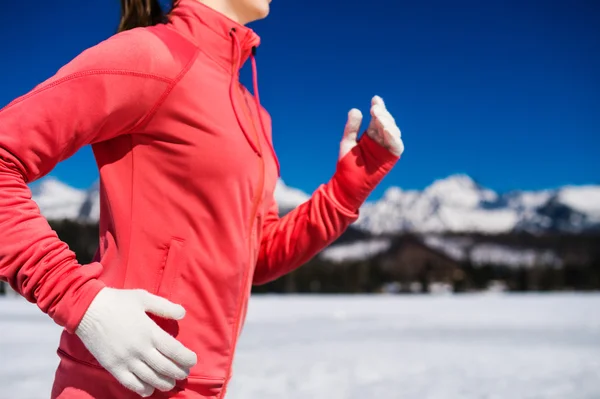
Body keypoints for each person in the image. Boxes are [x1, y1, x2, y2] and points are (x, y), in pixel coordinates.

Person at [0, 0, 404, 398]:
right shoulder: (151, 55)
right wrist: (81, 302)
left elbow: (256, 255)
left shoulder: (253, 112)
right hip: (115, 385)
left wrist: (350, 186)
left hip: (199, 384)